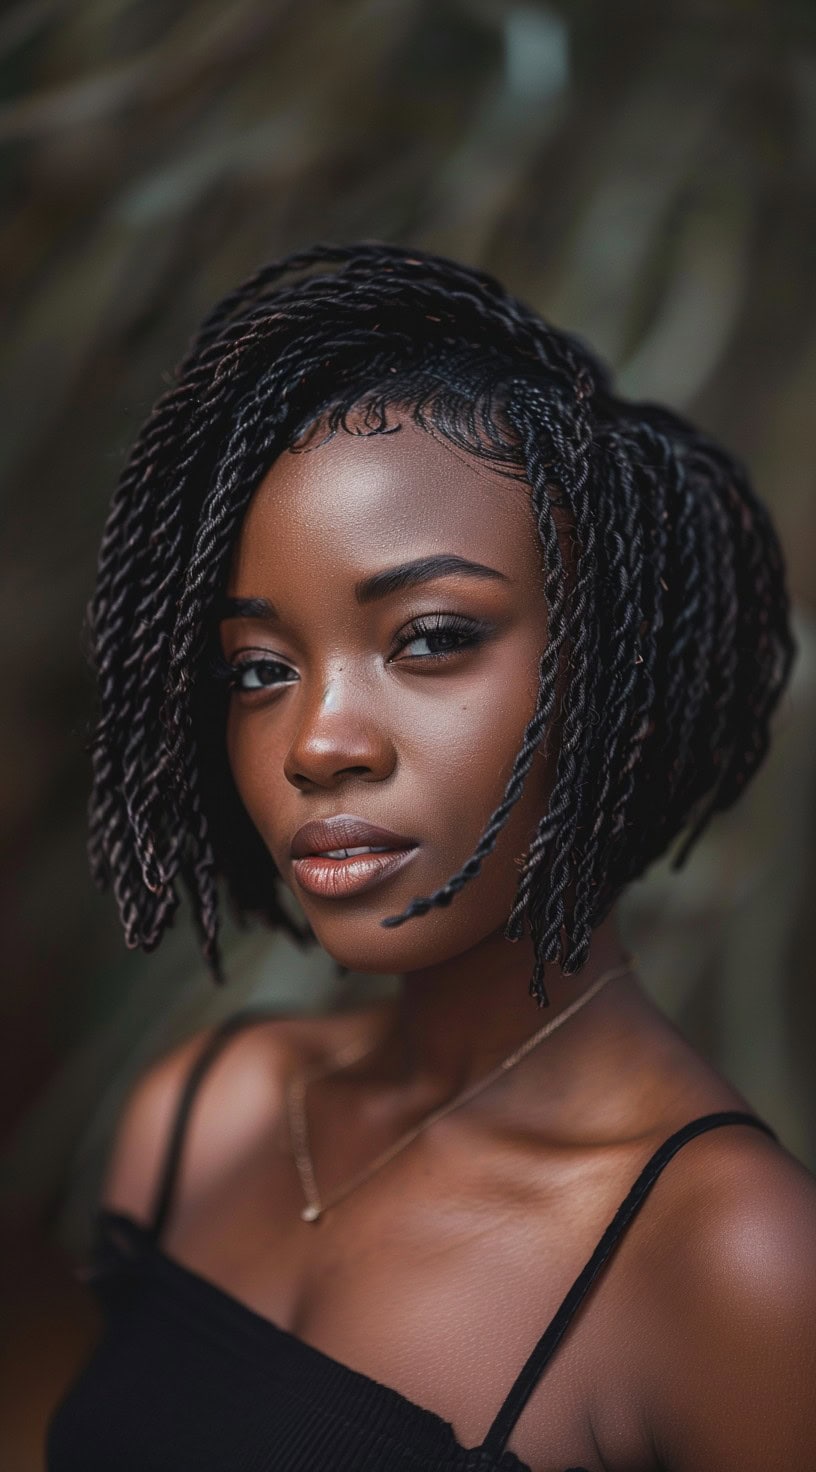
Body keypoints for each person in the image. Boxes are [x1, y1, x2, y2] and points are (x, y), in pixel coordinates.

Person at [47, 242, 816, 1471]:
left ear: (616, 685)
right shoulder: (207, 1112)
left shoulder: (731, 1261)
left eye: (431, 637)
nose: (319, 741)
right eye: (260, 667)